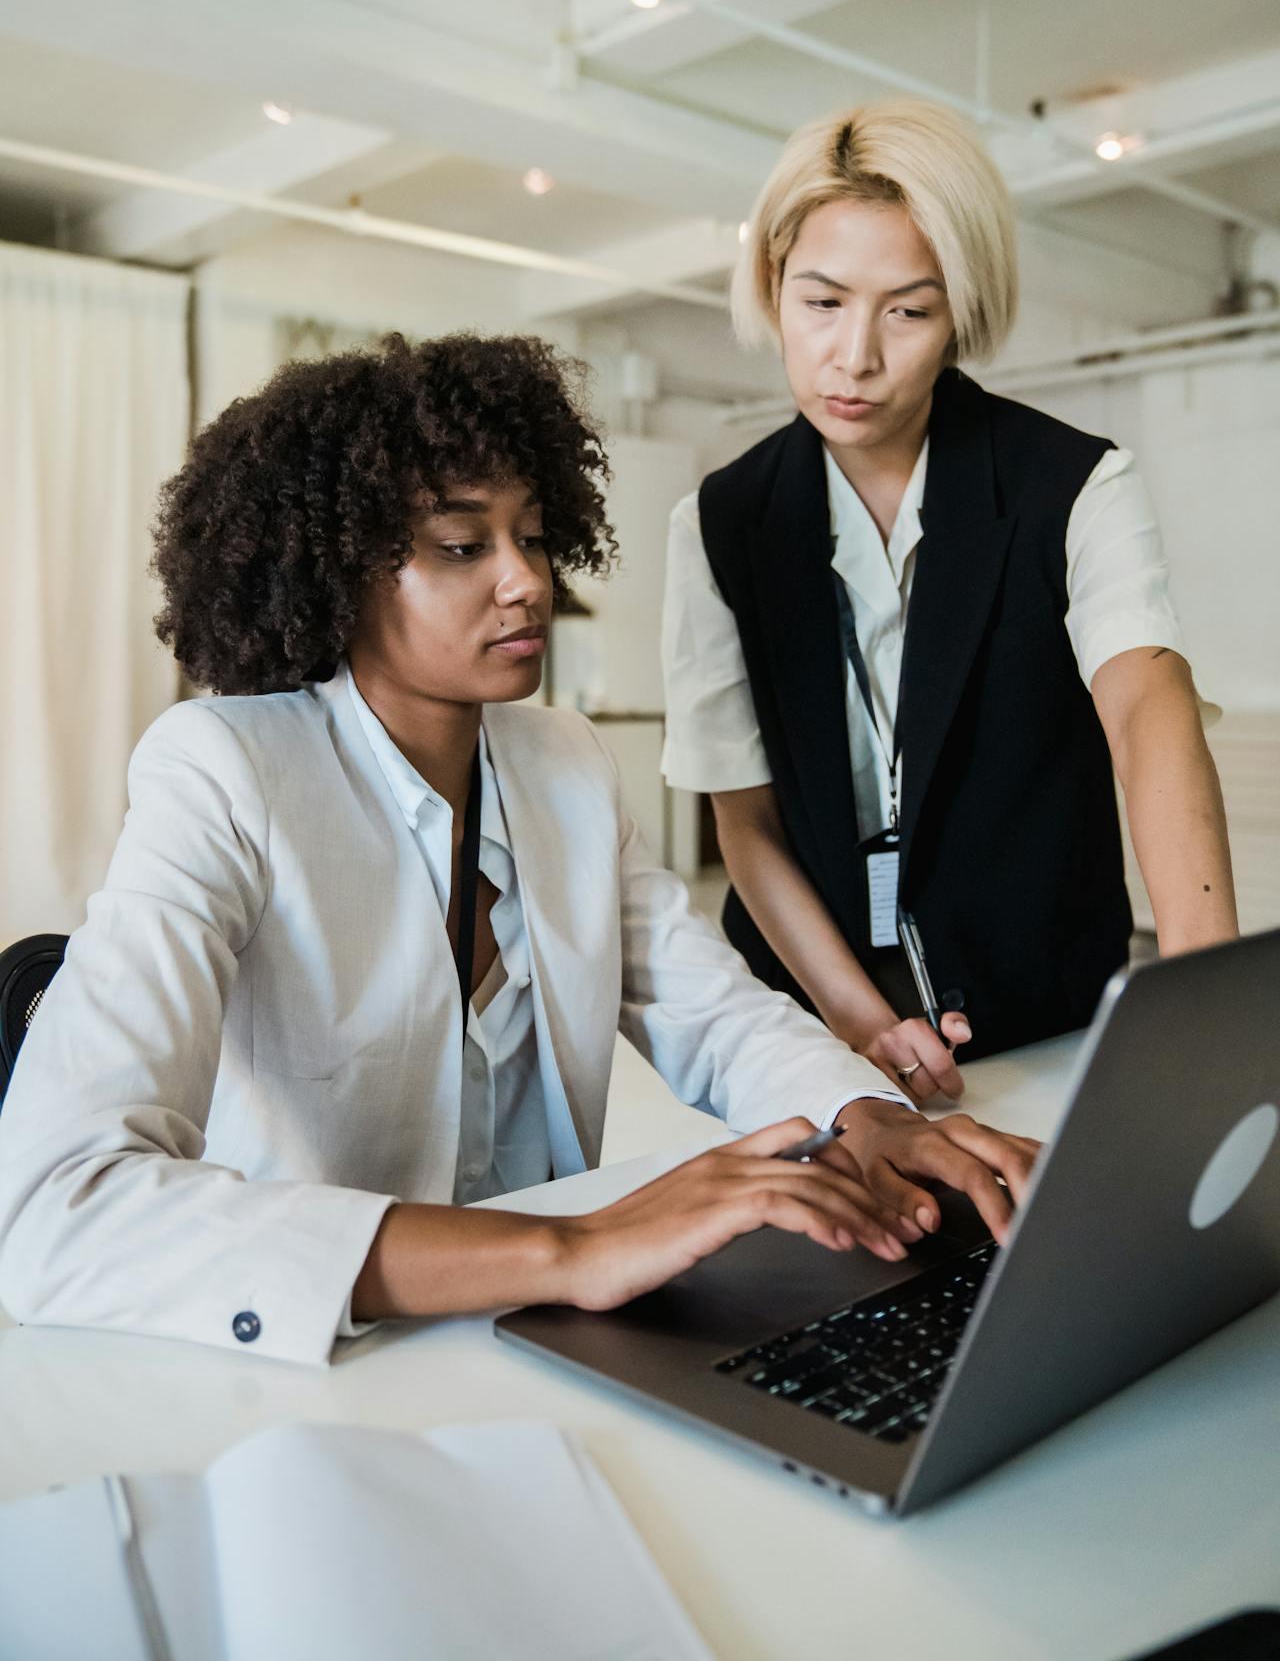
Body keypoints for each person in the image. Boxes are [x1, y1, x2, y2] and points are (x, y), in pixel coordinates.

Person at [0, 333, 1037, 1366]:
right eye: (463, 546)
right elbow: (56, 1209)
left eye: (534, 537)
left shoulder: (565, 764)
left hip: (545, 1346)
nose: (525, 582)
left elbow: (709, 1010)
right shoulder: (224, 769)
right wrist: (569, 1246)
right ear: (336, 568)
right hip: (333, 1361)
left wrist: (866, 1113)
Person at [662, 101, 1237, 1105]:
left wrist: (1207, 1017)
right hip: (810, 1030)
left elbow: (1148, 712)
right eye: (821, 301)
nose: (854, 357)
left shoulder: (1072, 485)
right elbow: (744, 823)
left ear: (958, 313)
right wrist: (860, 1023)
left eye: (906, 311)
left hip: (1037, 1015)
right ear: (771, 286)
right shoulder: (717, 524)